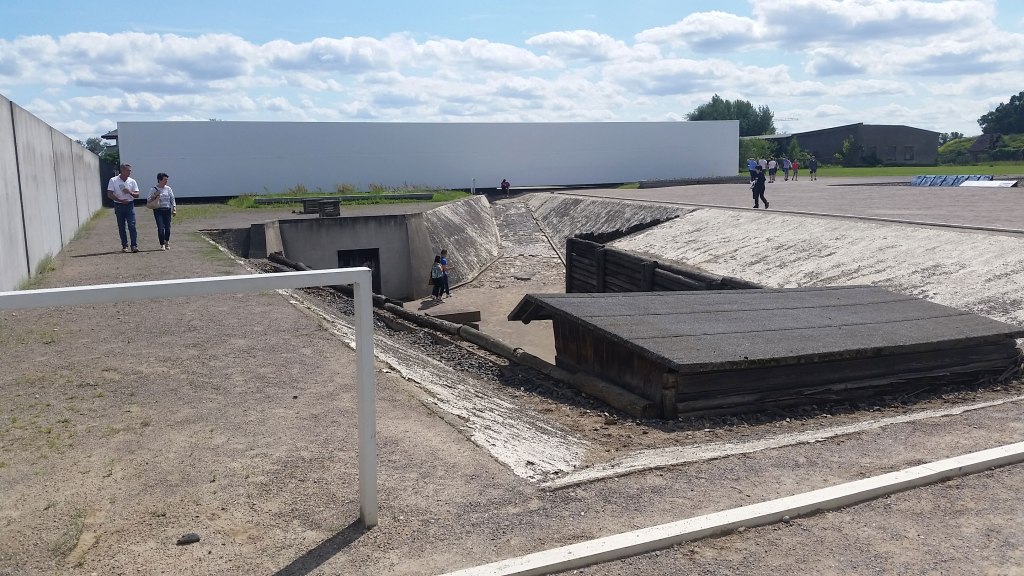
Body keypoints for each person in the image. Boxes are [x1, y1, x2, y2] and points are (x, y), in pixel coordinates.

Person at [106, 163, 140, 252]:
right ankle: (124, 245)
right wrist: (120, 200)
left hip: (130, 205)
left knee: (132, 225)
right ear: (122, 170)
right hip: (118, 205)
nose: (129, 172)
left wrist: (130, 192)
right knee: (121, 226)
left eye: (130, 171)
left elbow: (137, 195)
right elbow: (109, 194)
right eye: (128, 170)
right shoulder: (113, 180)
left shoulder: (132, 181)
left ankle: (134, 245)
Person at [147, 172, 177, 250]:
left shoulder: (168, 188)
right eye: (164, 179)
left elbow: (172, 198)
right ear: (159, 180)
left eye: (167, 179)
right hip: (158, 210)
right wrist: (155, 195)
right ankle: (162, 244)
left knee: (168, 227)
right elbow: (148, 200)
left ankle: (166, 241)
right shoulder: (153, 189)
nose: (166, 181)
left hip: (167, 209)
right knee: (160, 227)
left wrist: (174, 208)